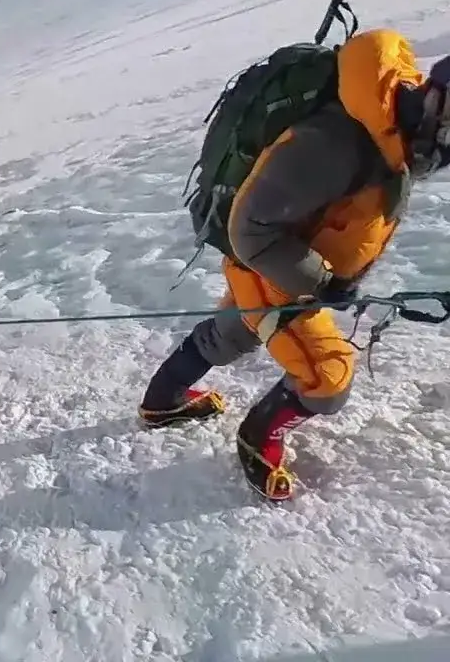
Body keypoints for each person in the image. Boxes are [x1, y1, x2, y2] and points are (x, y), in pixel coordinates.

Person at [138, 30, 450, 501]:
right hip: (274, 267)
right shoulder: (337, 142)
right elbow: (253, 230)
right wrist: (324, 281)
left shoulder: (394, 120)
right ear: (438, 99)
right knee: (327, 377)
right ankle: (257, 441)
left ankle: (161, 401)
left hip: (286, 264)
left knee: (237, 330)